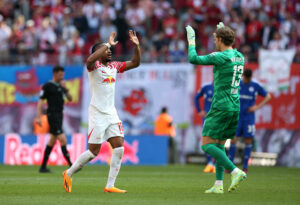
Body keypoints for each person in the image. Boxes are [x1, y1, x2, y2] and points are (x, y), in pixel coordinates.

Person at [62, 30, 141, 193]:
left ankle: (110, 185)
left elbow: (135, 63)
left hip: (111, 113)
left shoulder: (114, 66)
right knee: (93, 152)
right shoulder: (94, 67)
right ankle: (68, 173)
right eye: (106, 50)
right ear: (99, 52)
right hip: (97, 113)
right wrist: (106, 44)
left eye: (110, 50)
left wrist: (137, 47)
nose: (110, 51)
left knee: (119, 148)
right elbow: (90, 59)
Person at [186, 22, 246, 194]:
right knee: (219, 145)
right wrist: (223, 28)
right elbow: (230, 49)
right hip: (234, 106)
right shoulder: (239, 56)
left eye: (215, 39)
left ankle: (235, 171)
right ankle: (218, 184)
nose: (214, 43)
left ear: (220, 39)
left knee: (206, 145)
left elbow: (194, 59)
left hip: (221, 106)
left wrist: (191, 40)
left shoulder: (220, 57)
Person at [228, 68, 271, 173]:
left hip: (248, 118)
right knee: (233, 140)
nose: (245, 80)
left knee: (248, 141)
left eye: (247, 78)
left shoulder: (255, 85)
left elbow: (268, 96)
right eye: (244, 78)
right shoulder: (238, 84)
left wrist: (256, 107)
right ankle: (230, 166)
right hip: (237, 117)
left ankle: (245, 167)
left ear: (250, 77)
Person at [36, 66, 73, 173]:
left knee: (52, 140)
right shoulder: (47, 86)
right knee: (62, 139)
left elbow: (70, 98)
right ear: (55, 74)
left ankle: (43, 167)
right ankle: (72, 165)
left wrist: (65, 88)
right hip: (52, 115)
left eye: (63, 75)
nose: (62, 77)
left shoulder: (61, 86)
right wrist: (38, 117)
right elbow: (40, 101)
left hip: (59, 115)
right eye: (60, 75)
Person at [194, 83, 216, 173]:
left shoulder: (224, 87)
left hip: (218, 118)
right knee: (206, 141)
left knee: (216, 141)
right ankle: (210, 163)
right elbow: (196, 97)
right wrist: (199, 111)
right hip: (207, 118)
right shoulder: (206, 87)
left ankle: (215, 164)